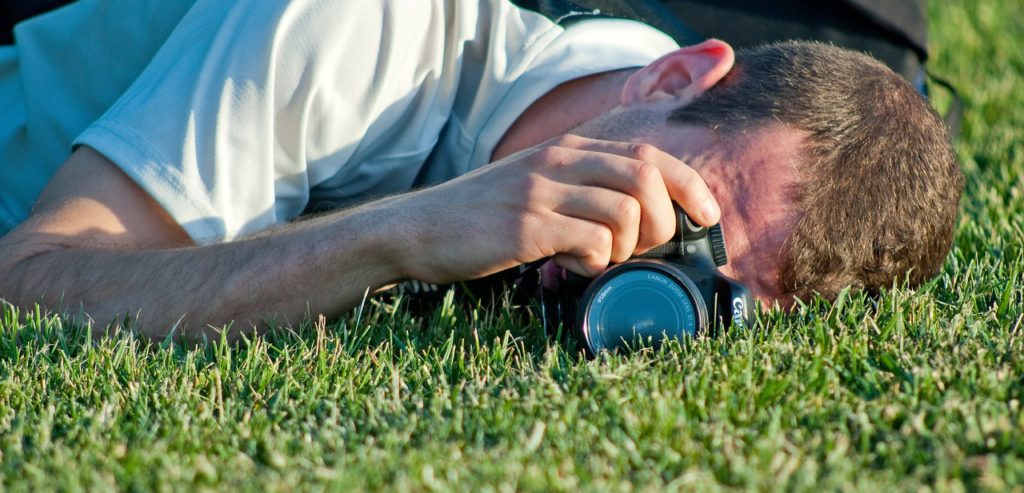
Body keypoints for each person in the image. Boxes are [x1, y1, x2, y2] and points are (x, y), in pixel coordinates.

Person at [0, 0, 961, 338]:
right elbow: (32, 278)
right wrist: (402, 232)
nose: (636, 251)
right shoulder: (354, 29)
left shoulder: (665, 115)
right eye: (687, 208)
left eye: (713, 290)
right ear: (671, 76)